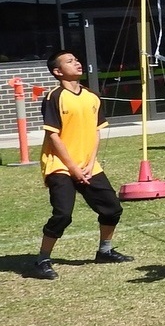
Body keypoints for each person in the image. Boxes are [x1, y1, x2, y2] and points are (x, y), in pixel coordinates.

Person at [33, 51, 134, 280]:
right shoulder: (54, 97)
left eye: (77, 60)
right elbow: (54, 137)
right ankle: (42, 260)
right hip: (59, 165)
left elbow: (96, 133)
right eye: (69, 61)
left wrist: (89, 163)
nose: (77, 63)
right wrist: (73, 169)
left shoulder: (92, 97)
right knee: (63, 215)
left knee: (112, 208)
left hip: (88, 166)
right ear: (57, 72)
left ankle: (105, 251)